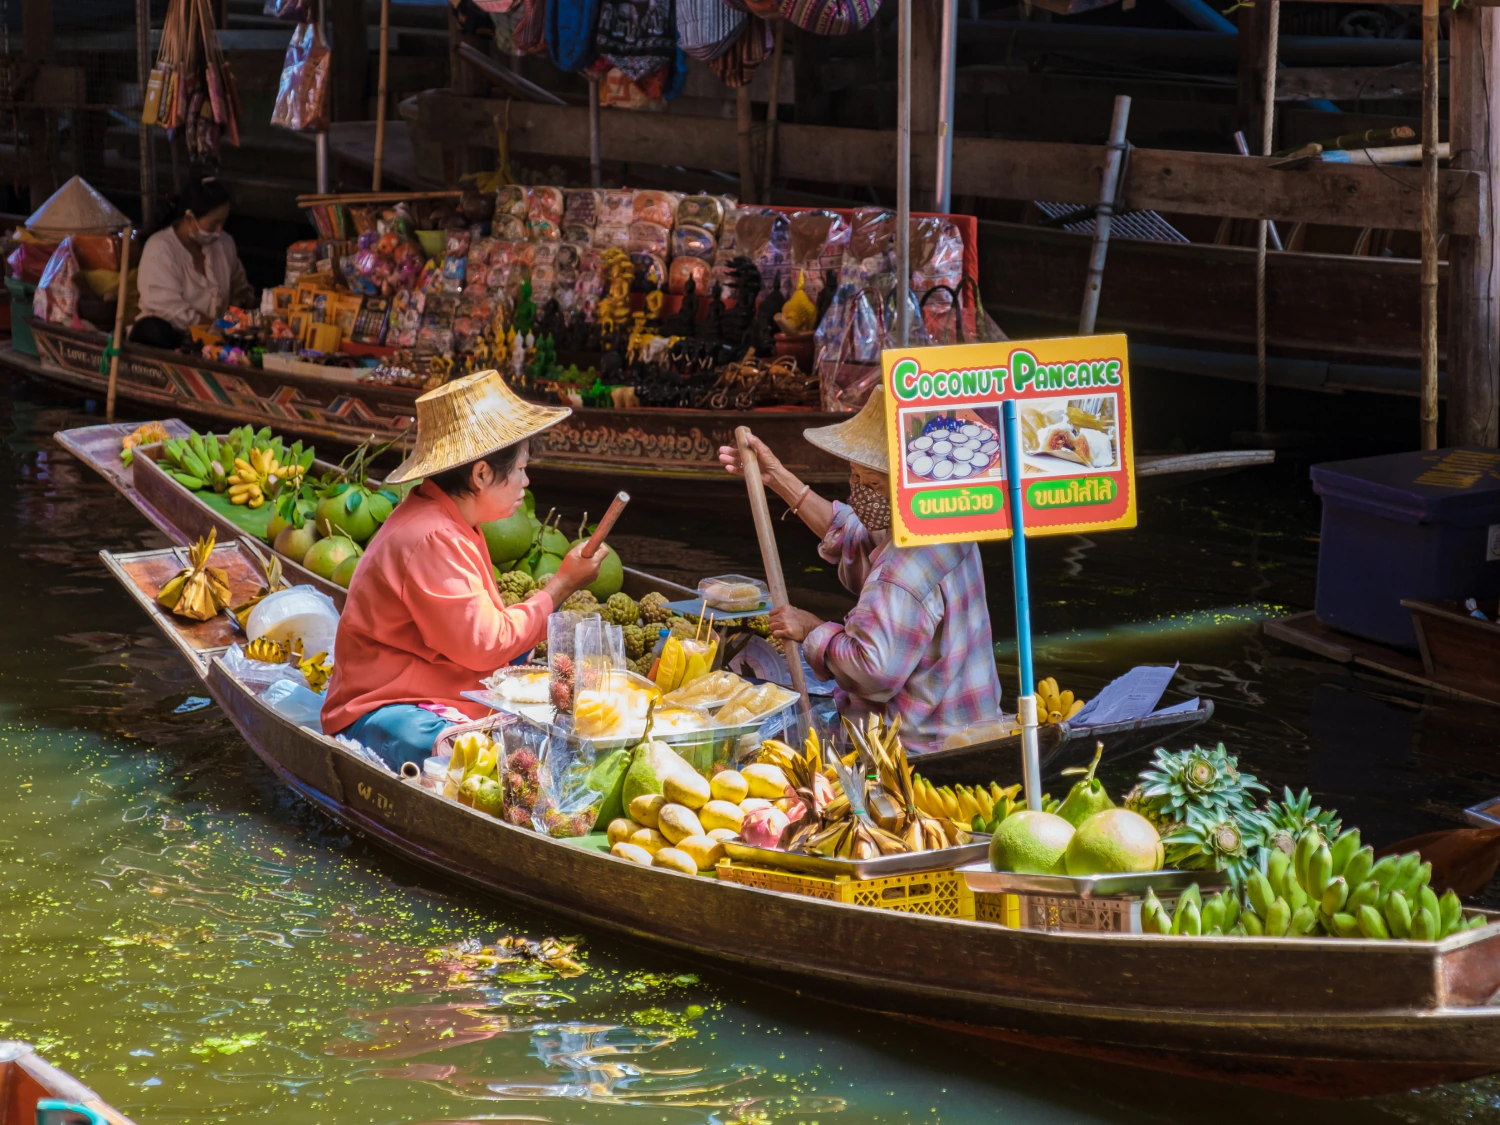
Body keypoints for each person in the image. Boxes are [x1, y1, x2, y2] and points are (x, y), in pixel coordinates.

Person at [321, 369, 603, 769]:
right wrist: (562, 585)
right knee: (470, 755)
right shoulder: (433, 535)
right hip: (385, 707)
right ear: (482, 474)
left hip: (442, 686)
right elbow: (486, 645)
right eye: (521, 469)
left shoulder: (449, 520)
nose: (526, 481)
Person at [718, 387, 1002, 754]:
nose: (858, 491)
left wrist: (811, 629)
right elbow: (854, 533)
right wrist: (776, 476)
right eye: (855, 477)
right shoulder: (944, 519)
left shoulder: (903, 570)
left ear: (904, 486)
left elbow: (872, 672)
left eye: (872, 483)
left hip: (918, 747)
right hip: (974, 722)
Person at [130, 177, 253, 350]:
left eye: (223, 222)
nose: (219, 231)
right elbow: (169, 309)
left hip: (215, 342)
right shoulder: (160, 249)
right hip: (165, 342)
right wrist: (216, 326)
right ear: (189, 218)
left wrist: (238, 313)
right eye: (213, 224)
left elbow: (239, 290)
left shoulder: (224, 244)